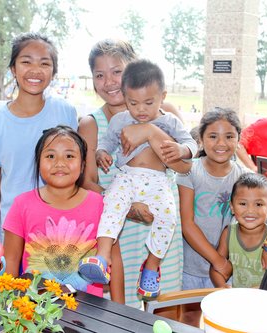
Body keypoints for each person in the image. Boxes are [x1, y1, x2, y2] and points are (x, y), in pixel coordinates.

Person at [78, 39, 185, 312]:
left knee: (165, 311)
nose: (109, 81)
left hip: (162, 224)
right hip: (116, 231)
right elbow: (87, 182)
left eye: (117, 71)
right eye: (99, 75)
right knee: (120, 312)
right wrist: (130, 209)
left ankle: (153, 269)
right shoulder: (91, 123)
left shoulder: (166, 113)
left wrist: (149, 131)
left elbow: (186, 167)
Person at [176, 108, 267, 327]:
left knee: (226, 320)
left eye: (229, 136)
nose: (221, 143)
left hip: (228, 268)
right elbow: (187, 224)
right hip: (192, 265)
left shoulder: (242, 174)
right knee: (190, 317)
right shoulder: (189, 171)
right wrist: (218, 261)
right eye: (213, 136)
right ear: (201, 139)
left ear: (238, 139)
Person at [0, 32, 78, 242]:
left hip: (60, 232)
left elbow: (76, 171)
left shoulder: (66, 112)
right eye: (26, 62)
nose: (35, 70)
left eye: (45, 64)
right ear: (13, 68)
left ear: (53, 72)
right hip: (13, 233)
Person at [3, 126, 104, 296]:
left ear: (82, 165)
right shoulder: (22, 204)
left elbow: (114, 260)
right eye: (50, 156)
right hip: (34, 309)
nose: (60, 163)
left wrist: (118, 309)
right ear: (38, 162)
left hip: (90, 310)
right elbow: (11, 261)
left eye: (69, 156)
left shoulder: (99, 204)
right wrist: (7, 306)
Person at [209, 173, 267, 288]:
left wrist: (259, 290)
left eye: (258, 204)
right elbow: (216, 269)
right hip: (237, 301)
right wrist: (222, 286)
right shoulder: (228, 233)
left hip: (265, 302)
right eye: (243, 203)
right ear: (232, 207)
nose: (250, 210)